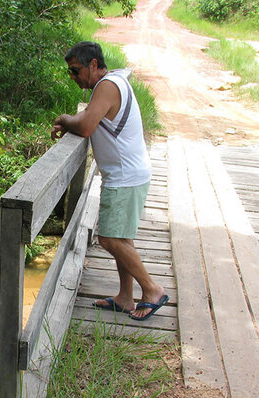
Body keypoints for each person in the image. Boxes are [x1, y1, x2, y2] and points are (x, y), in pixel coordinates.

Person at [51, 41, 168, 321]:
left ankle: (152, 289)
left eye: (76, 70)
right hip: (128, 174)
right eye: (70, 71)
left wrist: (65, 119)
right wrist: (73, 120)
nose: (73, 76)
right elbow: (89, 116)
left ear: (93, 65)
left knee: (109, 238)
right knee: (121, 238)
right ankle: (125, 297)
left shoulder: (107, 86)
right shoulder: (109, 84)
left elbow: (86, 124)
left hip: (125, 176)